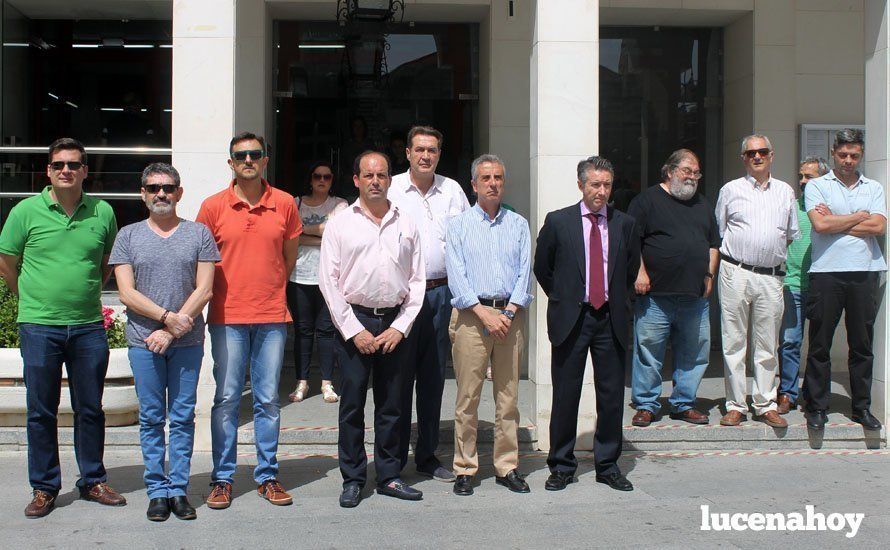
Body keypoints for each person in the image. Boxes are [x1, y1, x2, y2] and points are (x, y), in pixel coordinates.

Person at [0, 138, 125, 518]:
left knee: (91, 408)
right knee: (41, 411)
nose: (66, 170)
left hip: (88, 326)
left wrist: (83, 293)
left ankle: (92, 480)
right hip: (39, 326)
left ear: (86, 170)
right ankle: (44, 487)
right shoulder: (25, 211)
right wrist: (29, 299)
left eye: (74, 164)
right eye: (59, 165)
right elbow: (7, 260)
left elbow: (106, 263)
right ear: (49, 171)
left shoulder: (102, 212)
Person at [196, 132, 302, 509]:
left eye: (255, 154)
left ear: (265, 160)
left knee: (268, 400)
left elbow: (288, 259)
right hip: (226, 316)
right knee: (226, 399)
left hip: (272, 314)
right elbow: (202, 263)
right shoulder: (212, 207)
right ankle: (222, 479)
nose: (248, 160)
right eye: (241, 155)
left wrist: (269, 288)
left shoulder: (285, 204)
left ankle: (267, 476)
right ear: (231, 162)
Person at [110, 163, 219, 521]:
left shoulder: (199, 233)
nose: (162, 194)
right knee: (152, 419)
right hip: (144, 342)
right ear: (143, 193)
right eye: (154, 188)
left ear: (179, 193)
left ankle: (179, 490)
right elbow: (126, 292)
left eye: (168, 188)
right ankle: (157, 490)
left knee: (183, 417)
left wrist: (172, 329)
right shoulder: (128, 235)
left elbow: (205, 289)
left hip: (186, 344)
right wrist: (165, 318)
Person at [319, 151, 426, 508]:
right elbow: (329, 282)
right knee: (352, 405)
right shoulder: (339, 223)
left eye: (381, 175)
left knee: (393, 405)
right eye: (368, 175)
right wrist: (353, 330)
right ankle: (353, 478)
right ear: (356, 180)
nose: (376, 181)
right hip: (355, 322)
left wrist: (401, 326)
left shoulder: (406, 222)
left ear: (389, 180)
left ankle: (390, 475)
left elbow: (418, 279)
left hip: (395, 322)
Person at [534, 156, 640, 493]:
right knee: (566, 394)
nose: (601, 191)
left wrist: (620, 304)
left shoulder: (625, 224)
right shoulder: (559, 222)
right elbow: (543, 267)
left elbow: (629, 270)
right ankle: (562, 465)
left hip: (610, 319)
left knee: (610, 396)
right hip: (573, 319)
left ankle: (607, 465)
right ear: (581, 185)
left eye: (607, 185)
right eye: (595, 184)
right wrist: (565, 297)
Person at [445, 154, 532, 496]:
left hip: (510, 318)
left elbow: (525, 273)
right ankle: (465, 468)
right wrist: (484, 314)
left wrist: (507, 314)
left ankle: (506, 466)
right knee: (468, 397)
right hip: (471, 318)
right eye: (486, 178)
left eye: (498, 177)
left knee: (508, 397)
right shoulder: (459, 225)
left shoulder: (518, 224)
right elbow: (457, 276)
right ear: (474, 185)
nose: (493, 183)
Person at [389, 126, 470, 482]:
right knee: (397, 378)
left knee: (434, 377)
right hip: (401, 296)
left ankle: (426, 455)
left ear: (439, 154)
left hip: (441, 294)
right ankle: (391, 458)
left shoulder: (452, 190)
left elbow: (468, 237)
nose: (426, 156)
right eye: (419, 149)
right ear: (407, 152)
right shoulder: (389, 187)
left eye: (432, 150)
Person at [628, 149, 719, 427]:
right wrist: (639, 272)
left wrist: (709, 275)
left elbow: (713, 244)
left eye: (696, 173)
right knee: (649, 352)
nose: (692, 177)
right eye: (687, 171)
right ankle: (646, 404)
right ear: (669, 172)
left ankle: (683, 403)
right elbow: (631, 242)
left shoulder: (702, 204)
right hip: (655, 296)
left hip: (694, 296)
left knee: (694, 352)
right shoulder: (646, 201)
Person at [803, 129, 887, 431]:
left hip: (865, 271)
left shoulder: (873, 187)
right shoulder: (817, 186)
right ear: (833, 153)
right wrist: (858, 216)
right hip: (827, 272)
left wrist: (838, 223)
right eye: (842, 155)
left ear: (860, 155)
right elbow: (820, 224)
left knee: (862, 344)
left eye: (854, 155)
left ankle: (861, 407)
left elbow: (878, 227)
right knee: (820, 343)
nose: (848, 160)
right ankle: (816, 407)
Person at [715, 134, 799, 428]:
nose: (757, 157)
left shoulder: (786, 192)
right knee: (734, 341)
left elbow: (789, 234)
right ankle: (735, 404)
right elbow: (721, 230)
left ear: (771, 155)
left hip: (770, 277)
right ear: (744, 159)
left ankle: (765, 403)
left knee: (767, 344)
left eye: (762, 151)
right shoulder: (730, 190)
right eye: (751, 153)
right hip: (735, 271)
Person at [287, 161, 347, 404]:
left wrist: (303, 234)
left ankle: (326, 382)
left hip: (329, 278)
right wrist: (319, 234)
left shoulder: (340, 204)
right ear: (310, 179)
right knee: (302, 331)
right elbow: (290, 236)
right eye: (317, 176)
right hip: (299, 276)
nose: (322, 180)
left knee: (326, 331)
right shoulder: (295, 202)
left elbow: (337, 234)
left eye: (327, 177)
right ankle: (301, 381)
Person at [777, 157, 829, 414]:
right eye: (801, 176)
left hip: (822, 284)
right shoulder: (791, 207)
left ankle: (813, 392)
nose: (803, 181)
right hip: (793, 283)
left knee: (819, 343)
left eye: (810, 177)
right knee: (789, 341)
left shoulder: (829, 209)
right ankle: (787, 393)